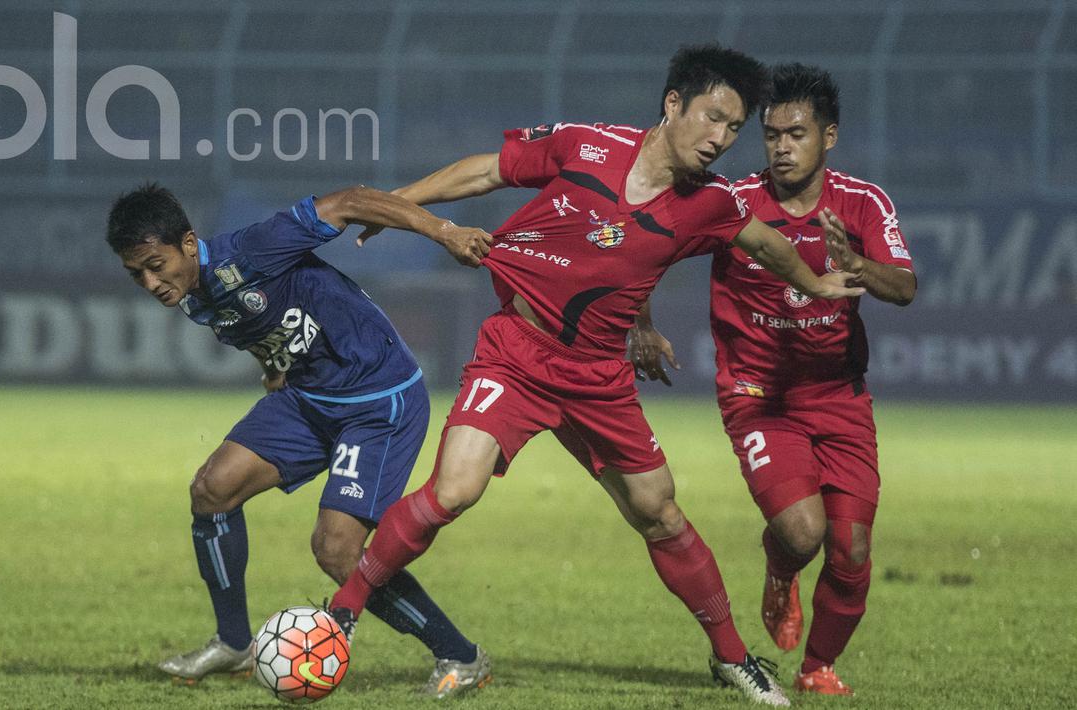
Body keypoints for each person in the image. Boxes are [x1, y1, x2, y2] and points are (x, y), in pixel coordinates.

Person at [330, 45, 865, 707]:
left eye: (733, 129)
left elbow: (762, 242)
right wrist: (395, 206)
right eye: (711, 118)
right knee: (452, 490)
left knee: (658, 513)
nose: (720, 139)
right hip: (517, 353)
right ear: (672, 104)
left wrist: (813, 282)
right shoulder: (586, 146)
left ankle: (731, 659)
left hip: (596, 379)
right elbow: (486, 173)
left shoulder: (709, 202)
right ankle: (339, 617)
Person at [105, 183, 497, 697]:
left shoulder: (252, 249)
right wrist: (272, 366)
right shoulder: (195, 294)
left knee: (336, 551)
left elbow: (351, 200)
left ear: (187, 243)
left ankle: (460, 656)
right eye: (138, 274)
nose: (152, 282)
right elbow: (259, 322)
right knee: (212, 489)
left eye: (157, 264)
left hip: (377, 401)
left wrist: (445, 232)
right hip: (309, 397)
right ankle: (233, 644)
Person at [629, 63, 916, 695]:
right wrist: (641, 324)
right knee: (802, 532)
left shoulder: (863, 204)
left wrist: (858, 265)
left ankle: (817, 669)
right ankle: (781, 568)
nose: (782, 147)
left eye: (797, 134)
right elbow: (642, 247)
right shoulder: (731, 203)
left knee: (853, 549)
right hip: (757, 394)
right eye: (772, 135)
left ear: (829, 137)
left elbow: (906, 288)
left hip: (839, 394)